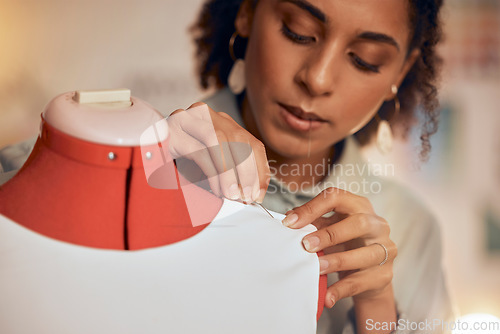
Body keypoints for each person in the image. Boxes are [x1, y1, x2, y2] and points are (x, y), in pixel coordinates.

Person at [0, 0, 455, 333]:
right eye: (298, 31)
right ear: (248, 12)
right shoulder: (128, 159)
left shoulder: (412, 230)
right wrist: (122, 164)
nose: (317, 78)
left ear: (401, 70)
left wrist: (376, 310)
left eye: (365, 60)